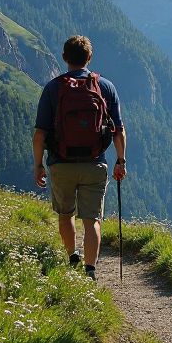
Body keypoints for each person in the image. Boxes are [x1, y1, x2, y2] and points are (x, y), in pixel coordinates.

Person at [34, 35, 127, 280]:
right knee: (92, 219)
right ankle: (90, 269)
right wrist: (120, 161)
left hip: (61, 163)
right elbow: (118, 129)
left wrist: (38, 165)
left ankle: (72, 256)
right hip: (95, 163)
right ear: (89, 57)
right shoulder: (105, 87)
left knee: (65, 214)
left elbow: (39, 133)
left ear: (65, 58)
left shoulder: (54, 88)